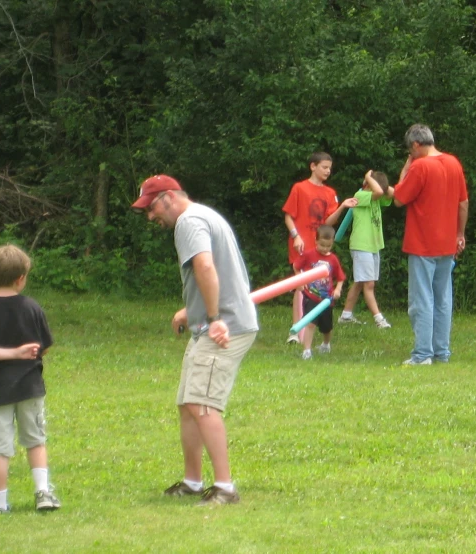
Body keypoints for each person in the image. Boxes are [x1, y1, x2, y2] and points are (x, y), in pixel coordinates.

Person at [132, 174, 258, 506]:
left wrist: (215, 319)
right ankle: (192, 481)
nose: (150, 216)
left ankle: (225, 488)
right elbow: (222, 271)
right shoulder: (203, 216)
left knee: (203, 404)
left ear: (169, 197)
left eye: (151, 207)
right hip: (213, 320)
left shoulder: (188, 221)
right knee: (189, 404)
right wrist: (192, 311)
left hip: (225, 325)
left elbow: (204, 266)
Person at [0, 244, 60, 514]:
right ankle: (42, 492)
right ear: (21, 278)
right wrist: (21, 353)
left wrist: (9, 353)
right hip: (30, 388)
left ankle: (0, 506)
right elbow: (44, 346)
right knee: (35, 440)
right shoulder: (32, 307)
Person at [388, 124, 469, 365]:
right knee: (443, 299)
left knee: (421, 300)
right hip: (447, 244)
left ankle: (422, 354)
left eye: (409, 152)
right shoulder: (454, 162)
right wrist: (460, 234)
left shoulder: (420, 165)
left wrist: (406, 168)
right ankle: (441, 352)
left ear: (415, 145)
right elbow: (463, 203)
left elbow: (399, 198)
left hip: (422, 244)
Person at [282, 152, 356, 344]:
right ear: (313, 166)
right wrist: (295, 236)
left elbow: (328, 223)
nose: (328, 171)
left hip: (319, 248)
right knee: (301, 286)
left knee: (317, 288)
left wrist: (342, 207)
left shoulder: (330, 193)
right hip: (301, 245)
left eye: (330, 168)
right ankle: (295, 331)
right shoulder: (299, 188)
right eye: (324, 167)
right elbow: (289, 216)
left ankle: (313, 328)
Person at [337, 170, 393, 328]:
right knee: (369, 284)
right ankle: (379, 319)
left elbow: (391, 192)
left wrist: (379, 182)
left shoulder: (376, 198)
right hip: (362, 246)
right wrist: (368, 178)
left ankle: (346, 315)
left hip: (372, 246)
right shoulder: (360, 195)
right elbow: (380, 191)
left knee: (360, 283)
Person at [292, 225, 346, 360]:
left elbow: (340, 277)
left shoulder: (333, 259)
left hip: (327, 300)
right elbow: (296, 266)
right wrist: (300, 281)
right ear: (316, 241)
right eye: (322, 245)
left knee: (326, 327)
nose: (325, 248)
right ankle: (307, 351)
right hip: (310, 296)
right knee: (310, 323)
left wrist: (338, 289)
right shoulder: (309, 255)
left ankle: (326, 344)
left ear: (332, 243)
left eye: (328, 246)